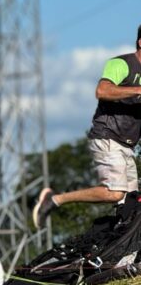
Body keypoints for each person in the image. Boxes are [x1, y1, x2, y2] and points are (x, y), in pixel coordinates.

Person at [33, 24, 141, 229]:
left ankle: (117, 246)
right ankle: (55, 200)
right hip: (108, 136)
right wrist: (138, 90)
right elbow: (102, 91)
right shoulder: (122, 64)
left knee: (131, 206)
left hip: (128, 145)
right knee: (115, 193)